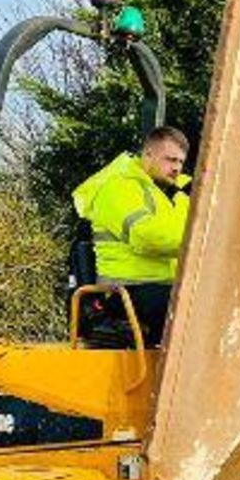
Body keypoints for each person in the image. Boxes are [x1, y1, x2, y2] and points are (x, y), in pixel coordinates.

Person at [72, 125, 192, 347]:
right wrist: (198, 242)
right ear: (148, 154)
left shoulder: (166, 194)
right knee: (194, 307)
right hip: (124, 291)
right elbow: (148, 238)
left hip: (158, 287)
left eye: (180, 162)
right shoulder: (119, 188)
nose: (176, 168)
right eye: (170, 160)